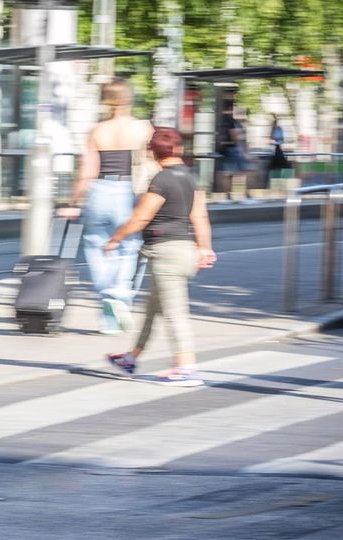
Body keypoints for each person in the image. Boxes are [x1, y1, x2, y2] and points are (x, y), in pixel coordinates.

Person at [105, 127, 217, 387]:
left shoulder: (161, 180)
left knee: (175, 313)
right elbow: (199, 216)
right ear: (178, 149)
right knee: (153, 309)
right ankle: (131, 358)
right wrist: (204, 247)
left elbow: (141, 218)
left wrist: (115, 238)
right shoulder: (190, 178)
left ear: (152, 152)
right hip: (184, 251)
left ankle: (186, 367)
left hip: (167, 254)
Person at [70, 77, 154, 334]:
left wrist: (74, 202)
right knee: (129, 247)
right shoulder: (143, 128)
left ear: (105, 100)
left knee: (97, 247)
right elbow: (153, 163)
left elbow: (87, 171)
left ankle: (108, 309)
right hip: (129, 192)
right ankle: (118, 295)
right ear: (130, 98)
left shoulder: (97, 130)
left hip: (99, 192)